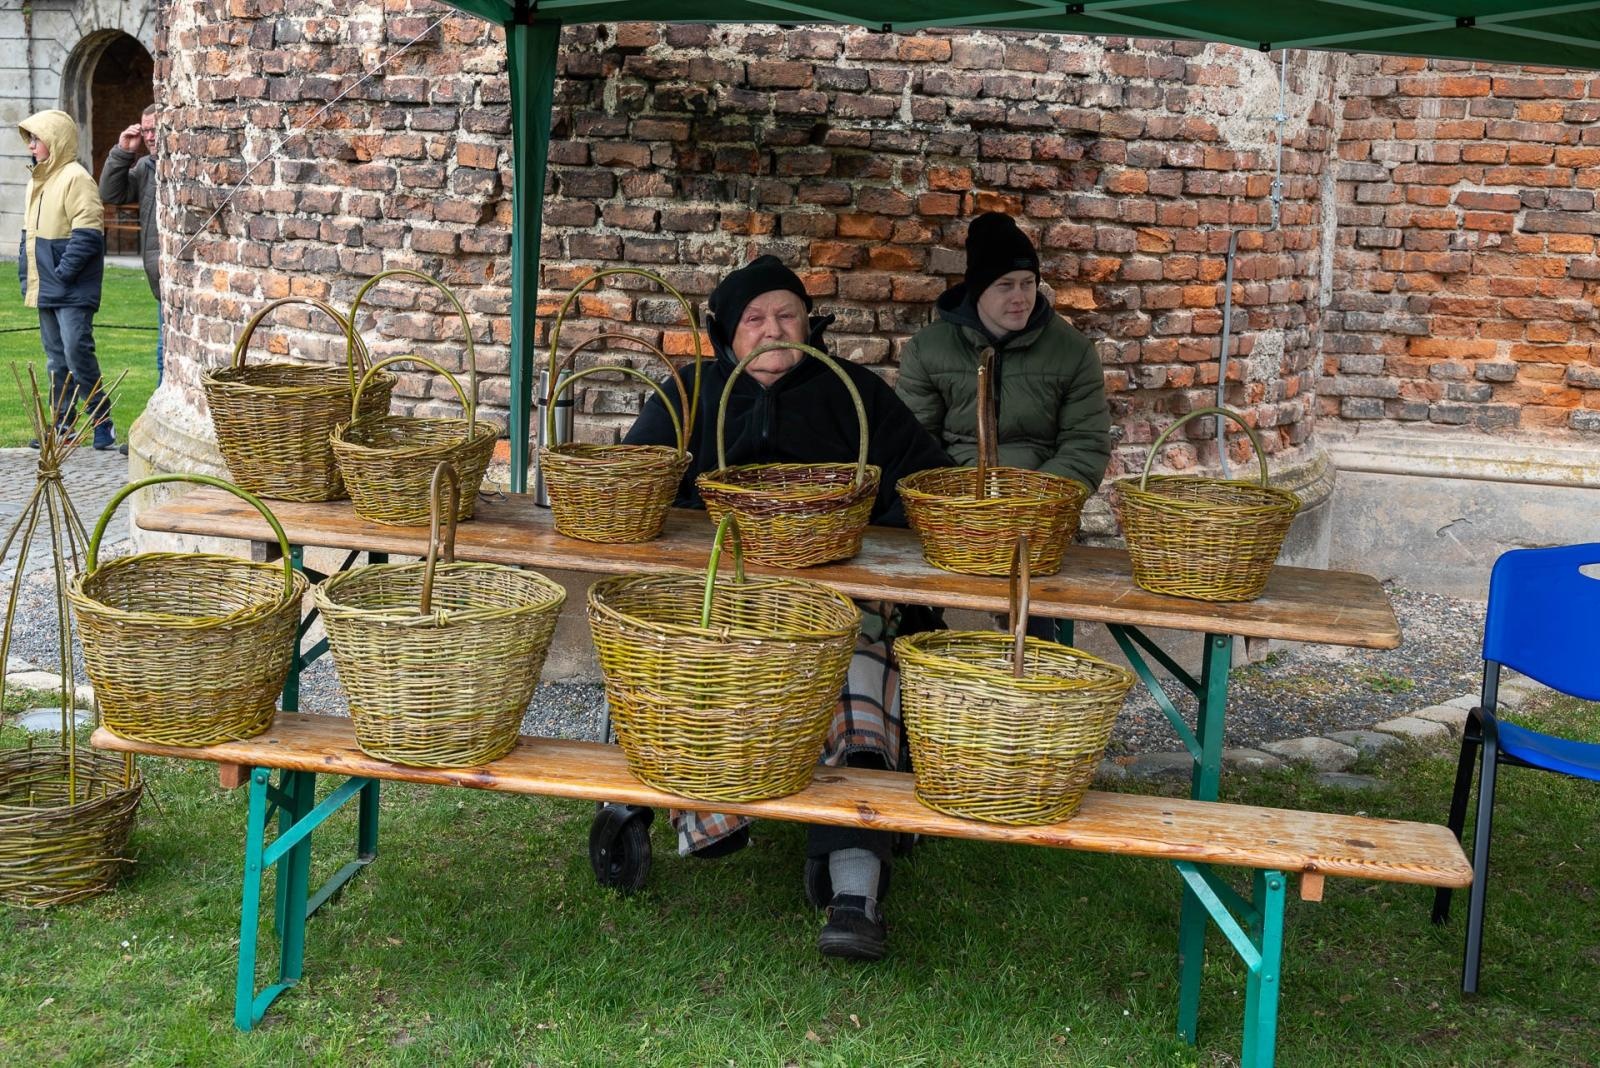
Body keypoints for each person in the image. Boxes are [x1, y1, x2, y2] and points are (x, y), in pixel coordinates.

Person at [623, 254, 951, 962]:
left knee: (854, 666)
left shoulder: (854, 394)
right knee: (684, 663)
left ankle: (854, 889)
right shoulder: (688, 394)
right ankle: (671, 809)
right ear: (725, 333)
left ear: (810, 325)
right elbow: (634, 482)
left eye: (788, 315)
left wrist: (867, 533)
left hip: (840, 600)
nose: (773, 330)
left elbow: (931, 485)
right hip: (716, 601)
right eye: (755, 319)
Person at [896, 212, 1112, 637]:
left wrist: (1033, 506)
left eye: (1028, 283)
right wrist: (959, 508)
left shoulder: (1072, 351)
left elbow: (1085, 444)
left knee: (1031, 622)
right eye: (1005, 285)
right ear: (978, 288)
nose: (1020, 297)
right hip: (952, 515)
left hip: (1038, 516)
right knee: (912, 618)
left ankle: (1032, 663)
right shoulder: (928, 350)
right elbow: (915, 443)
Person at [18, 109, 116, 450]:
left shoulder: (76, 178)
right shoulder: (36, 181)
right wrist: (30, 276)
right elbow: (29, 237)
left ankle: (102, 420)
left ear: (55, 140)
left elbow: (88, 236)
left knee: (76, 351)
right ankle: (63, 425)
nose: (31, 146)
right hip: (47, 285)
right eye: (30, 139)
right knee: (56, 359)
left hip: (72, 286)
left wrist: (62, 273)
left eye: (37, 139)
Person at [100, 105, 161, 388]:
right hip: (158, 277)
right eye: (145, 130)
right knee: (163, 353)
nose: (149, 137)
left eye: (155, 129)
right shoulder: (146, 167)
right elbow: (111, 194)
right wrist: (122, 152)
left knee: (167, 352)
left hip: (179, 273)